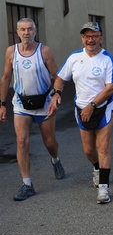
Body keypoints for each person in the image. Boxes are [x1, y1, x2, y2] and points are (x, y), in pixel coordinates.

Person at [48, 22, 113, 204]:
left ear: (101, 38)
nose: (91, 40)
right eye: (87, 36)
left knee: (103, 147)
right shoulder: (74, 58)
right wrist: (56, 93)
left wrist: (92, 105)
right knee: (89, 150)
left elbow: (110, 88)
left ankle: (104, 187)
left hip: (103, 108)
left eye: (94, 36)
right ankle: (97, 168)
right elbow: (60, 78)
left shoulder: (108, 59)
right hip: (81, 109)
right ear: (82, 38)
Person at [0, 18, 65, 201]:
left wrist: (56, 95)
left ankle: (55, 160)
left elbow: (57, 76)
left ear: (35, 32)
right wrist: (2, 104)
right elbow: (5, 78)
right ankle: (27, 184)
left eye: (29, 29)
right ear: (17, 32)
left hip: (44, 102)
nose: (26, 33)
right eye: (22, 30)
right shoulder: (11, 52)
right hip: (21, 104)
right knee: (21, 142)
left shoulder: (44, 51)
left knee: (50, 142)